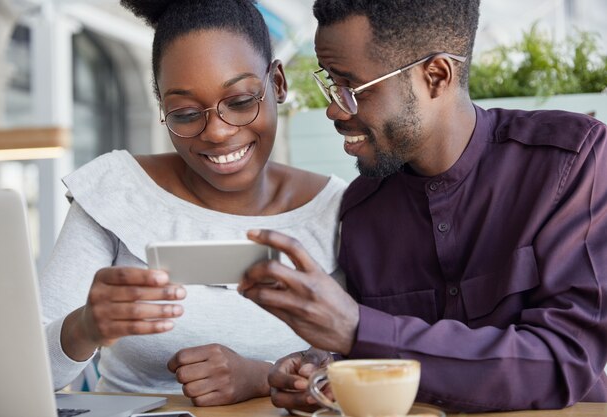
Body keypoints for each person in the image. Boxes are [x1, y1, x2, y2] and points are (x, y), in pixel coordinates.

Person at [238, 0, 607, 413]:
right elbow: (375, 360)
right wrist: (325, 369)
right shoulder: (362, 209)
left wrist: (358, 328)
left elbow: (565, 360)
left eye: (352, 88)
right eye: (330, 83)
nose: (334, 109)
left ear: (436, 76)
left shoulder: (569, 163)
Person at [39, 0, 347, 406]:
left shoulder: (338, 210)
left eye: (239, 102)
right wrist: (84, 328)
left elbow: (376, 362)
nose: (217, 133)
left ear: (277, 83)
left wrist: (262, 376)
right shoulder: (116, 193)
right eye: (184, 113)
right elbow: (23, 372)